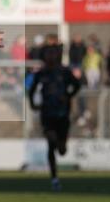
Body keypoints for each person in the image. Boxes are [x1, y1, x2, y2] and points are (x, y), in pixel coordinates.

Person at [27, 43, 81, 191]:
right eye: (47, 54)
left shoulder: (64, 72)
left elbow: (77, 85)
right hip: (47, 114)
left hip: (63, 114)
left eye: (53, 53)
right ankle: (54, 178)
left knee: (62, 150)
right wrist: (33, 104)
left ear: (57, 56)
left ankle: (62, 143)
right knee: (51, 144)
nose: (50, 56)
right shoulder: (41, 73)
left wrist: (68, 95)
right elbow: (31, 91)